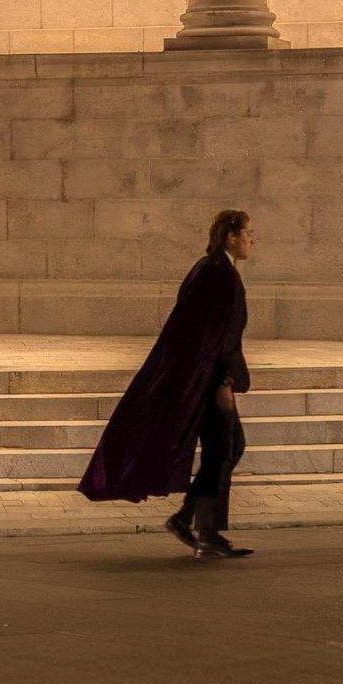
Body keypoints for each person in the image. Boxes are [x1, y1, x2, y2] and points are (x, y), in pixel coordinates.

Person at [77, 209, 256, 559]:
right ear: (231, 236)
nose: (252, 241)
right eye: (248, 233)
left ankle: (196, 524)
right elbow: (213, 336)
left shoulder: (211, 270)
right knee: (227, 447)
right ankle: (197, 526)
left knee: (226, 448)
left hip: (199, 380)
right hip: (206, 383)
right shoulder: (218, 275)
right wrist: (224, 381)